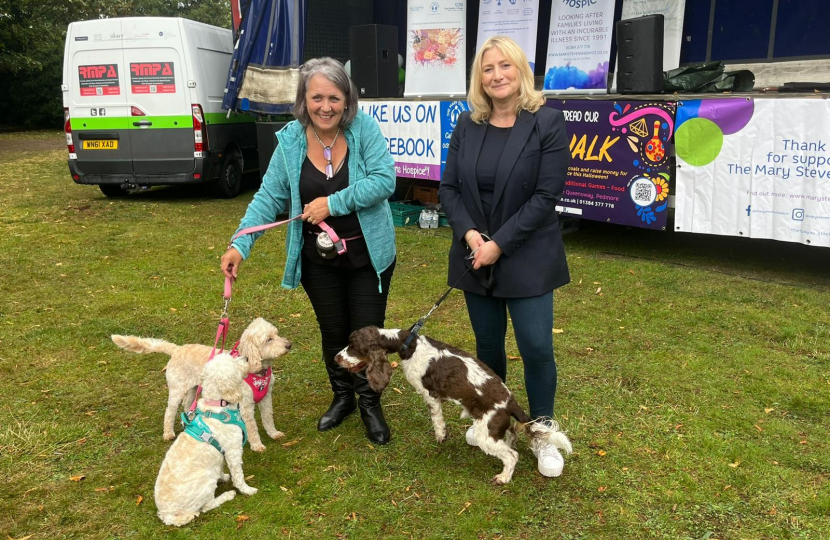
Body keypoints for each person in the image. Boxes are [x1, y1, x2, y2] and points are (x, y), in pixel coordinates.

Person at [220, 57, 397, 445]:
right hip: (320, 260)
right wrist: (240, 244)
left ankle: (370, 403)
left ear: (347, 100)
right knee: (333, 332)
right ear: (304, 99)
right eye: (317, 97)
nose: (326, 106)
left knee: (367, 335)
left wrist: (332, 203)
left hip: (368, 254)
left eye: (335, 97)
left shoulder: (364, 130)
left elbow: (385, 180)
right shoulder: (290, 141)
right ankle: (342, 397)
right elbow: (268, 197)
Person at [438, 36, 571, 476]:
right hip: (475, 255)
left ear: (520, 71)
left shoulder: (547, 123)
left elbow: (545, 195)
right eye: (487, 68)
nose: (496, 75)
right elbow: (450, 189)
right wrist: (473, 236)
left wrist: (500, 243)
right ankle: (496, 422)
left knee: (536, 347)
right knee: (488, 347)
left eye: (505, 66)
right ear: (479, 78)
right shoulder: (466, 125)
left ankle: (543, 433)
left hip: (528, 254)